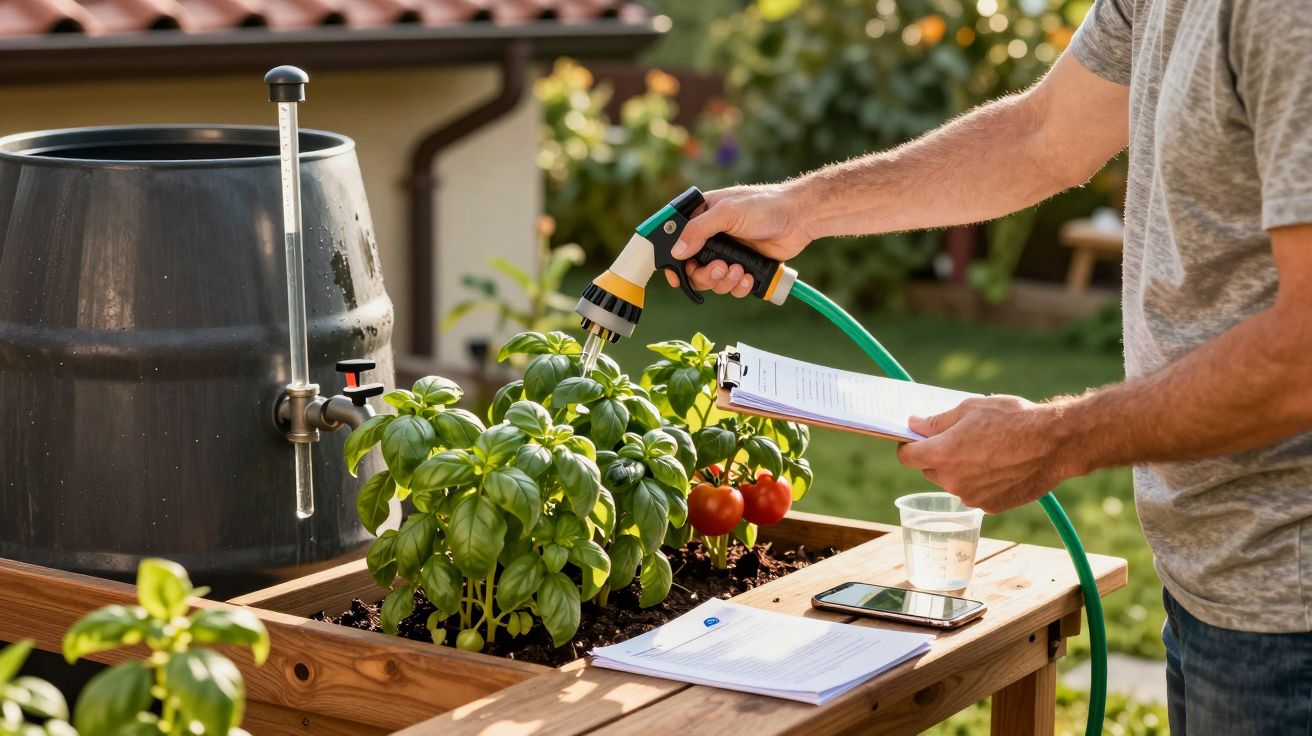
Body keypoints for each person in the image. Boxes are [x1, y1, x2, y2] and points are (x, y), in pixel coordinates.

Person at [668, 0, 1312, 732]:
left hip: (1292, 601)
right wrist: (804, 207)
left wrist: (1056, 438)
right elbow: (1043, 135)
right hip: (1218, 577)